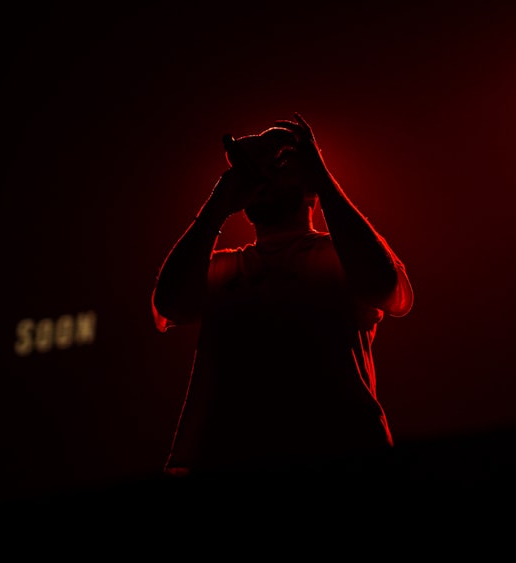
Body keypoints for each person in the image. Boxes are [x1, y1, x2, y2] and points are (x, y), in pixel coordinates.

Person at [151, 112, 414, 480]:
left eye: (281, 166)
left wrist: (321, 177)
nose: (266, 177)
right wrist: (217, 205)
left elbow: (385, 287)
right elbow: (170, 304)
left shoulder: (339, 256)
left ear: (309, 185)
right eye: (258, 169)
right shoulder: (221, 269)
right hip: (233, 464)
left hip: (343, 458)